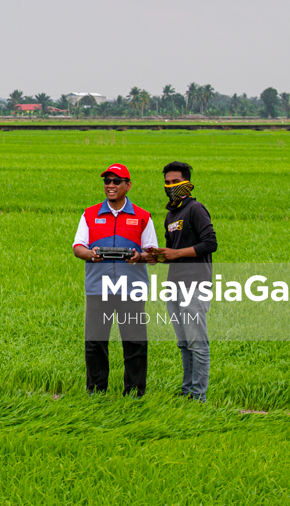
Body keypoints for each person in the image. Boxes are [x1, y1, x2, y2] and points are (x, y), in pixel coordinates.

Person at [72, 162, 159, 395]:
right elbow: (77, 247)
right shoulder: (89, 214)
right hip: (98, 287)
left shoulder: (142, 217)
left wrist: (138, 257)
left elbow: (153, 254)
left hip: (131, 289)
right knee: (95, 343)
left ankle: (134, 393)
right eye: (107, 181)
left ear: (128, 186)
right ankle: (96, 392)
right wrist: (90, 254)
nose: (110, 186)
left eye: (116, 182)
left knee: (135, 343)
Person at [147, 161, 217, 402]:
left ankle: (199, 396)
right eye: (167, 183)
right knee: (183, 342)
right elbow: (173, 251)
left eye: (176, 182)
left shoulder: (196, 209)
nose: (171, 186)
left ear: (186, 183)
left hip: (195, 284)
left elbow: (210, 244)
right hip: (174, 284)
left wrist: (176, 253)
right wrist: (158, 256)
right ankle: (187, 389)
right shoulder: (171, 215)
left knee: (198, 342)